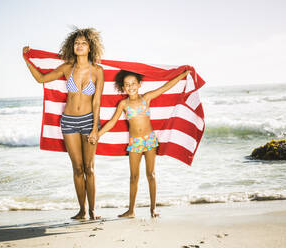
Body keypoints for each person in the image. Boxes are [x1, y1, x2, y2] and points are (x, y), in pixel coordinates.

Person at [22, 28, 104, 220]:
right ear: (72, 46)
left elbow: (97, 101)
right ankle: (82, 210)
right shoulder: (68, 68)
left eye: (83, 43)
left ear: (90, 46)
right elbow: (41, 79)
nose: (79, 45)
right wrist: (27, 61)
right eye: (76, 43)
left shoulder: (98, 71)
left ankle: (92, 211)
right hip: (68, 122)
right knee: (77, 168)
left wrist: (95, 129)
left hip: (89, 120)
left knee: (89, 168)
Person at [95, 69, 190, 218]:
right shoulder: (123, 104)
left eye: (133, 83)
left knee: (151, 174)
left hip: (150, 140)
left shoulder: (146, 98)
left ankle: (153, 209)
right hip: (135, 143)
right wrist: (98, 135)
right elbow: (112, 122)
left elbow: (165, 87)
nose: (131, 86)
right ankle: (131, 210)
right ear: (123, 87)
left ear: (139, 85)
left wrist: (182, 75)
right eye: (127, 84)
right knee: (133, 177)